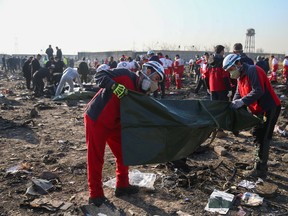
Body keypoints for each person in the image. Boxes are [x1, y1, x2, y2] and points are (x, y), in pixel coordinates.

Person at [84, 61, 164, 206]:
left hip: (115, 123)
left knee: (124, 153)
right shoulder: (125, 75)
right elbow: (99, 75)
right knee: (96, 157)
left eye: (158, 81)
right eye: (156, 78)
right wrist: (113, 86)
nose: (155, 84)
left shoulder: (142, 92)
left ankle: (122, 185)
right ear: (148, 71)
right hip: (97, 118)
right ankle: (95, 194)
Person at [223, 54, 281, 178]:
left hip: (269, 107)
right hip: (257, 109)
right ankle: (257, 164)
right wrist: (234, 104)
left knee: (263, 137)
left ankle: (260, 170)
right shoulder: (240, 76)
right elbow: (238, 93)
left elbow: (258, 90)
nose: (230, 73)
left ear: (238, 64)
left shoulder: (252, 71)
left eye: (230, 70)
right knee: (256, 134)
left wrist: (242, 102)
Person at [206, 45, 232, 138]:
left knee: (214, 109)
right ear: (221, 51)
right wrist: (229, 89)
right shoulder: (223, 61)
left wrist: (208, 87)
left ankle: (213, 129)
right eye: (223, 51)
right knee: (222, 109)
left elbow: (205, 75)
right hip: (221, 88)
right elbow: (225, 77)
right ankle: (220, 131)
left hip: (212, 88)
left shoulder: (210, 61)